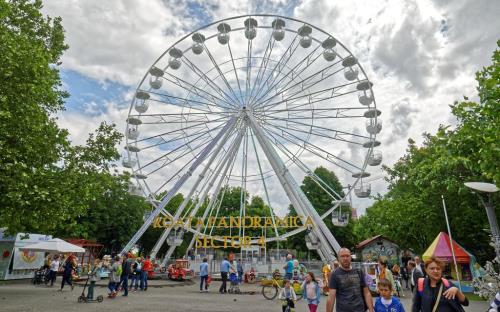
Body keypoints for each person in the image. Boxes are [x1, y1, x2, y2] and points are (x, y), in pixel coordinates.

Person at [327, 248, 374, 312]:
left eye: (347, 256)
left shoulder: (359, 272)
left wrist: (371, 310)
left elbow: (367, 293)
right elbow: (331, 297)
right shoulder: (335, 274)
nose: (345, 258)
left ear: (350, 257)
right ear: (338, 258)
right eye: (342, 256)